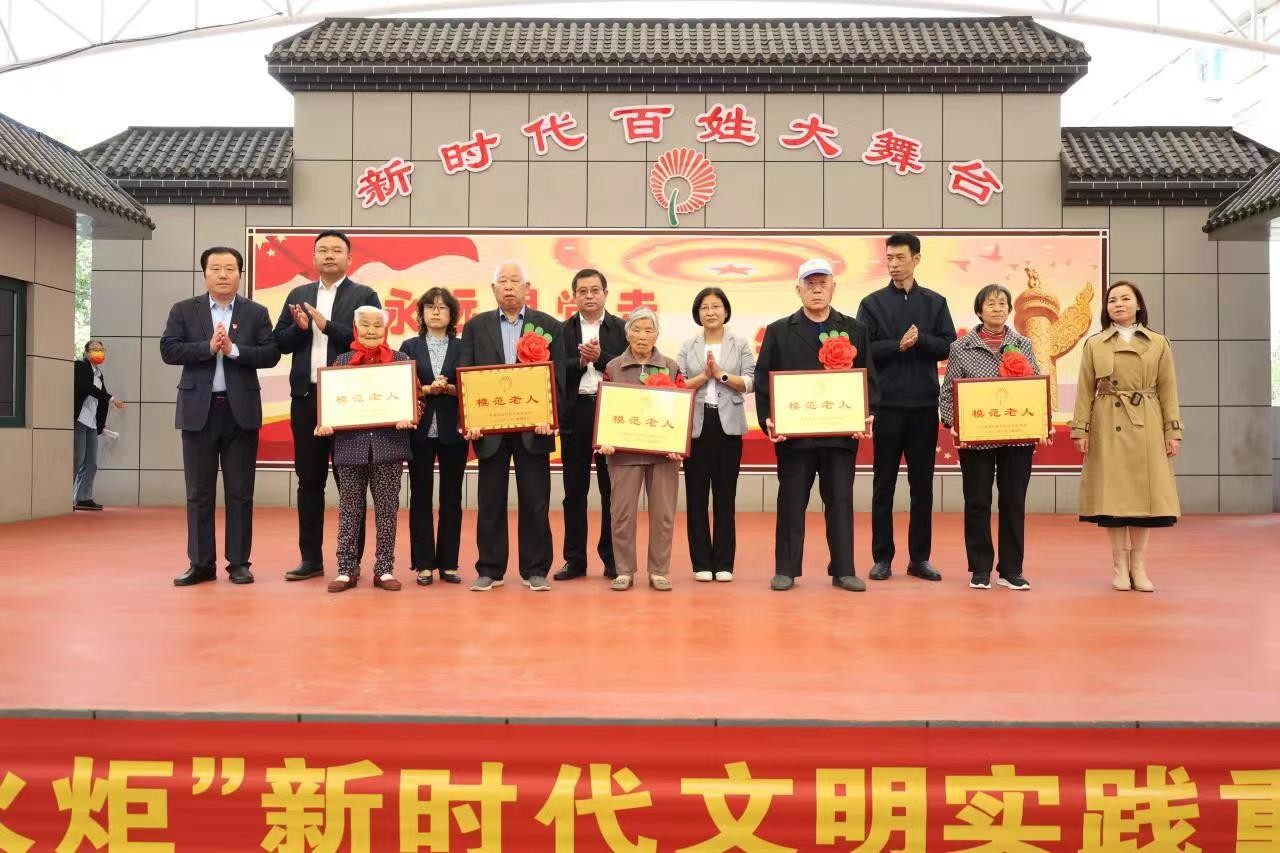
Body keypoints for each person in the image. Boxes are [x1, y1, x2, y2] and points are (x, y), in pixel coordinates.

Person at [755, 258, 877, 592]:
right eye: (810, 284)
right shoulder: (779, 331)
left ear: (833, 287)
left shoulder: (855, 329)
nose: (817, 289)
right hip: (795, 437)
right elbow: (763, 380)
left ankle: (844, 569)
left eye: (823, 283)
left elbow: (869, 378)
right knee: (791, 502)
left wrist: (867, 414)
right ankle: (786, 569)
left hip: (840, 434)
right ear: (798, 289)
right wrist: (768, 420)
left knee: (840, 502)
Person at [160, 246, 280, 586]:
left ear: (240, 274)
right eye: (216, 268)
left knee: (240, 492)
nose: (223, 274)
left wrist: (234, 350)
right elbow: (168, 349)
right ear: (204, 274)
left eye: (230, 268)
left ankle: (238, 563)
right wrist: (208, 348)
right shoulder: (184, 310)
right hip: (198, 411)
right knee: (198, 492)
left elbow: (271, 353)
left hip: (240, 412)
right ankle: (200, 564)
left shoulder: (255, 312)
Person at [272, 230, 381, 582]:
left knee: (351, 482)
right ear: (314, 257)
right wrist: (301, 329)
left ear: (350, 258)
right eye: (323, 250)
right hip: (307, 398)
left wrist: (327, 326)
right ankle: (310, 558)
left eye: (336, 250)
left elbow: (370, 341)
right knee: (309, 481)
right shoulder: (298, 295)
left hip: (348, 400)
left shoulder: (364, 296)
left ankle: (351, 562)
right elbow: (279, 343)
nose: (329, 255)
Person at [856, 232, 956, 583]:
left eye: (900, 258)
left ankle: (919, 559)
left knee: (922, 486)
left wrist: (920, 341)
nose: (894, 264)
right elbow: (862, 350)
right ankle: (882, 557)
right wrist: (897, 346)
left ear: (916, 259)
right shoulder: (872, 303)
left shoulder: (935, 302)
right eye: (889, 258)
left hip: (924, 406)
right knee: (883, 484)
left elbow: (949, 346)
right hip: (887, 406)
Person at [459, 260, 564, 592]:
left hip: (534, 428)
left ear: (527, 288)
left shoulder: (549, 326)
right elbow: (466, 374)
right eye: (502, 281)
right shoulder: (475, 327)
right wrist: (470, 421)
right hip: (490, 429)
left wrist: (550, 418)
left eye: (514, 281)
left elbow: (559, 379)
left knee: (535, 500)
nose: (508, 286)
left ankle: (535, 569)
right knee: (490, 500)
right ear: (493, 289)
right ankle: (490, 569)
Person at [1071, 280, 1182, 593]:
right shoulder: (1095, 344)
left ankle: (1139, 566)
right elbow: (1084, 390)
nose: (1118, 304)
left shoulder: (1158, 342)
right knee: (1114, 499)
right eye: (1112, 300)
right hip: (1108, 421)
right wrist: (1080, 429)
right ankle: (1120, 566)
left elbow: (1168, 390)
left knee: (1144, 499)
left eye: (1125, 299)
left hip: (1147, 421)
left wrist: (1172, 430)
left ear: (1138, 304)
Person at [939, 284, 1048, 591]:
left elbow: (1034, 386)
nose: (998, 308)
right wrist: (953, 423)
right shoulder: (961, 347)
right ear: (979, 310)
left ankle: (1011, 570)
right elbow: (947, 393)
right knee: (977, 502)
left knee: (1013, 501)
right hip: (976, 438)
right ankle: (980, 568)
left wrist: (1041, 421)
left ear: (1009, 310)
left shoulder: (1023, 344)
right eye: (991, 304)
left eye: (1003, 303)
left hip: (1017, 437)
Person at [315, 306, 415, 593]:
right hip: (351, 447)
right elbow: (331, 401)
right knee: (349, 510)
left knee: (387, 510)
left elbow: (415, 398)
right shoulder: (343, 361)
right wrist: (325, 422)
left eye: (377, 325)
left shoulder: (400, 360)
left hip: (388, 446)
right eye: (366, 325)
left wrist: (410, 416)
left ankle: (384, 569)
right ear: (356, 328)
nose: (372, 331)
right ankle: (346, 569)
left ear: (386, 329)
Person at [599, 307, 685, 591]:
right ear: (627, 334)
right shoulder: (613, 367)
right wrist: (605, 438)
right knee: (622, 514)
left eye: (649, 330)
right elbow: (605, 409)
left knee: (663, 515)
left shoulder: (671, 367)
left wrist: (678, 444)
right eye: (636, 330)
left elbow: (681, 409)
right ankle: (624, 570)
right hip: (623, 455)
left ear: (656, 335)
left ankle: (659, 571)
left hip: (664, 456)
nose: (642, 336)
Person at [675, 287, 755, 582]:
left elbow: (751, 381)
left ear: (726, 311)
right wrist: (703, 376)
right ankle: (701, 563)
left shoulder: (740, 343)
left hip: (728, 427)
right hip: (696, 426)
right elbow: (678, 383)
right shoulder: (688, 345)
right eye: (705, 307)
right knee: (696, 497)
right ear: (698, 314)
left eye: (716, 306)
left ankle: (724, 563)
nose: (710, 312)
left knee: (725, 496)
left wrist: (721, 374)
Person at [556, 268, 626, 582]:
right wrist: (580, 362)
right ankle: (575, 560)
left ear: (605, 294)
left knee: (612, 490)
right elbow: (554, 370)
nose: (589, 296)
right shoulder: (561, 330)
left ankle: (612, 559)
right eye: (582, 291)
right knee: (574, 491)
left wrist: (599, 358)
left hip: (610, 412)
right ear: (574, 296)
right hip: (575, 413)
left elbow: (627, 368)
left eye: (595, 290)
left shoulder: (622, 328)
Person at [399, 288, 467, 587]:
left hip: (454, 431)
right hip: (420, 432)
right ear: (421, 313)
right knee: (420, 497)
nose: (436, 312)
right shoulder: (409, 346)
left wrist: (450, 389)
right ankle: (424, 564)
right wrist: (426, 389)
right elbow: (402, 384)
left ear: (452, 315)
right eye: (430, 307)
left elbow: (473, 383)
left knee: (452, 498)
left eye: (442, 307)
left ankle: (449, 563)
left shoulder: (463, 346)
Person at [72, 339, 125, 511]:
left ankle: (83, 497)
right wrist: (111, 398)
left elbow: (100, 401)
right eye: (94, 349)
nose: (98, 353)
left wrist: (101, 424)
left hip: (91, 422)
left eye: (101, 350)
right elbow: (87, 388)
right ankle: (62, 496)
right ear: (86, 353)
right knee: (77, 458)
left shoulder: (99, 374)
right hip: (80, 419)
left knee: (91, 463)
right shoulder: (80, 367)